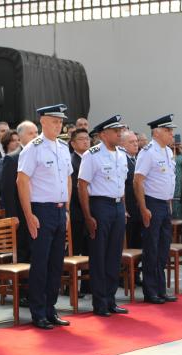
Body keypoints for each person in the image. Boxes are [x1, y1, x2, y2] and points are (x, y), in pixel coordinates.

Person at [17, 104, 72, 330]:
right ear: (42, 121)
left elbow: (68, 179)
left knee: (56, 264)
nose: (58, 125)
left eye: (60, 122)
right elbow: (22, 181)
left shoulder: (62, 147)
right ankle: (38, 312)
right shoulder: (33, 148)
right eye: (54, 121)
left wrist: (67, 209)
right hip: (41, 211)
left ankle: (51, 309)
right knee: (40, 264)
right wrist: (29, 214)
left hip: (59, 211)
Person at [78, 115, 128, 316]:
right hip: (100, 206)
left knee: (114, 256)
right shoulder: (92, 155)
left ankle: (111, 299)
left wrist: (123, 208)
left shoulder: (121, 154)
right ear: (103, 134)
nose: (119, 134)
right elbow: (82, 186)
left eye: (120, 131)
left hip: (117, 207)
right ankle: (100, 302)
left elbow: (121, 185)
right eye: (115, 131)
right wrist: (88, 216)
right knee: (99, 255)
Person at [133, 114, 178, 304]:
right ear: (157, 132)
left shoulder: (168, 151)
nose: (172, 134)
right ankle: (150, 291)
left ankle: (161, 289)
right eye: (168, 131)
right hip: (151, 203)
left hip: (165, 204)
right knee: (151, 248)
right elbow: (138, 181)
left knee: (162, 249)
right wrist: (143, 208)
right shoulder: (148, 152)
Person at [0, 120, 38, 265]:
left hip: (38, 211)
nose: (35, 136)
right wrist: (13, 215)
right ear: (20, 137)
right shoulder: (12, 158)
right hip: (21, 214)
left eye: (36, 133)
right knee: (24, 252)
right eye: (31, 133)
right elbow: (8, 190)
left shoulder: (41, 154)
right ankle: (23, 288)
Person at [69, 128, 91, 258]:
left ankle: (88, 279)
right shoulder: (72, 161)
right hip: (77, 213)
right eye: (81, 139)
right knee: (76, 251)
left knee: (90, 251)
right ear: (73, 144)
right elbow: (75, 189)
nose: (86, 142)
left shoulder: (92, 158)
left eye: (87, 139)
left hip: (92, 211)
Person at [119, 130, 142, 249]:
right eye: (131, 142)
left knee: (139, 242)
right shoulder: (122, 160)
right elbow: (122, 185)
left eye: (136, 141)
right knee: (130, 241)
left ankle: (136, 267)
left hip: (139, 208)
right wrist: (124, 208)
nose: (136, 144)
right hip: (129, 207)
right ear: (122, 144)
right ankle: (127, 267)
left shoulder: (138, 159)